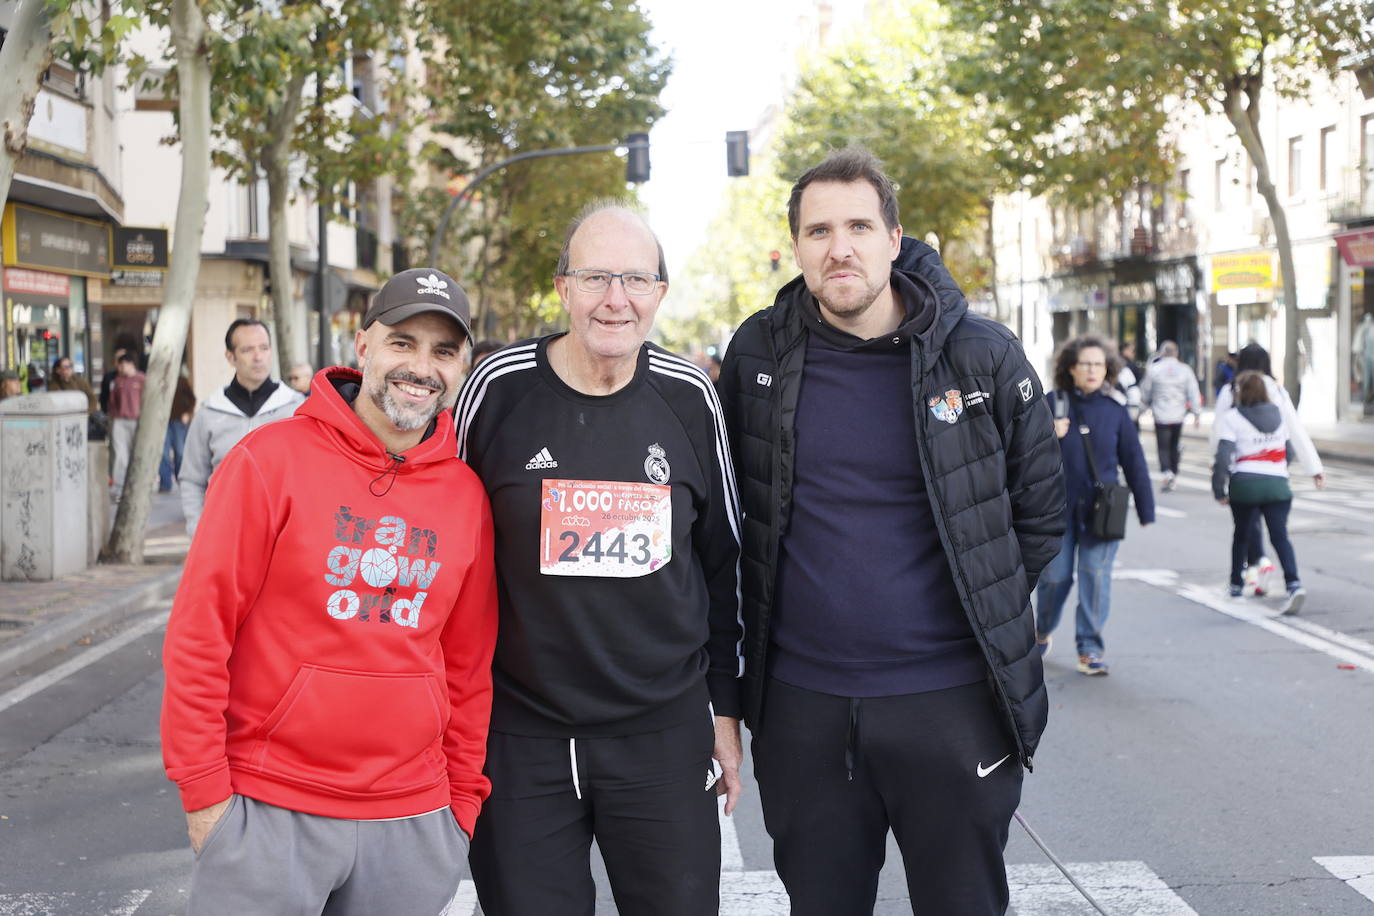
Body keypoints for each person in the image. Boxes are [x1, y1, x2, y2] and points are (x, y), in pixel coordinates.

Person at [716, 147, 1066, 916]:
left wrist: (975, 613)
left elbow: (1039, 518)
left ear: (894, 238)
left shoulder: (983, 355)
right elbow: (734, 516)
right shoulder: (758, 353)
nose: (839, 247)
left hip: (952, 707)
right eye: (818, 231)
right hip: (803, 710)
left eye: (858, 226)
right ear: (797, 247)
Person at [160, 267, 498, 916]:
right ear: (363, 346)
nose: (421, 366)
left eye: (443, 351)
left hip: (412, 822)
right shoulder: (267, 461)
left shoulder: (466, 497)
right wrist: (205, 797)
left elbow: (468, 667)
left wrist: (459, 807)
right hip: (269, 810)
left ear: (461, 369)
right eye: (403, 342)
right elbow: (200, 635)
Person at [456, 202, 743, 916]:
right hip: (521, 739)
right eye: (595, 277)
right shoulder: (496, 391)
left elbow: (727, 563)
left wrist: (728, 715)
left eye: (635, 279)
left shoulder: (691, 397)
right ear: (562, 288)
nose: (615, 299)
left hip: (662, 735)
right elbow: (447, 555)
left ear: (659, 294)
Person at [1034, 336, 1155, 676]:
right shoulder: (1050, 404)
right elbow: (1022, 455)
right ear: (1070, 368)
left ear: (1108, 370)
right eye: (1085, 363)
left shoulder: (1115, 412)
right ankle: (1041, 630)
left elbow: (1134, 462)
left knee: (1095, 577)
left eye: (1098, 364)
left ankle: (1090, 649)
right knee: (1055, 578)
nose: (1092, 370)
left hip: (1102, 511)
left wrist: (1146, 509)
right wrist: (1048, 434)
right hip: (1055, 510)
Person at [1209, 342, 1324, 596]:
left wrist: (1217, 467)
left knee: (1244, 529)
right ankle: (1287, 579)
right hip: (1275, 475)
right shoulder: (1278, 391)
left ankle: (1244, 576)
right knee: (1277, 533)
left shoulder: (1231, 389)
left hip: (1243, 473)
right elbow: (1294, 431)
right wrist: (1311, 466)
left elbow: (1220, 431)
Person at [180, 319, 305, 536]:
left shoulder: (297, 409)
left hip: (286, 538)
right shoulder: (210, 412)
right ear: (231, 357)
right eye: (247, 350)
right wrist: (198, 531)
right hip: (226, 537)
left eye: (264, 348)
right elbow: (192, 478)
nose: (258, 357)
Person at [1140, 340, 1201, 491]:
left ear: (1162, 352)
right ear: (1176, 353)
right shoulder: (1185, 369)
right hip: (1178, 414)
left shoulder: (1154, 369)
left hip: (1161, 414)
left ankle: (1167, 472)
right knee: (1174, 444)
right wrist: (1196, 412)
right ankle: (1173, 471)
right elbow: (1193, 391)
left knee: (1163, 446)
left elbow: (1146, 391)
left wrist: (1141, 409)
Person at [107, 352, 146, 501]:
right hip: (120, 422)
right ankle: (118, 489)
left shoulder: (142, 379)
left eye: (122, 365)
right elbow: (112, 401)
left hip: (137, 421)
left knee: (136, 455)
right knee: (120, 456)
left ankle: (137, 488)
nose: (120, 368)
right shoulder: (117, 381)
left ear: (130, 364)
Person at [159, 370, 197, 492]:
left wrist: (187, 413)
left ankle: (182, 480)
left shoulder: (181, 381)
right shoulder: (160, 382)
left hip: (179, 422)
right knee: (163, 454)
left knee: (180, 452)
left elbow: (192, 399)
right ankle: (165, 483)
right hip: (163, 422)